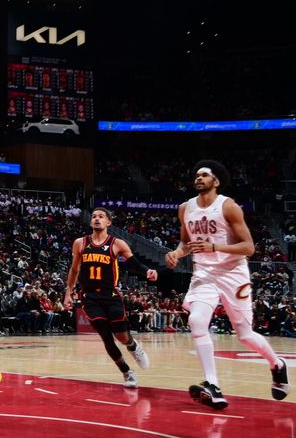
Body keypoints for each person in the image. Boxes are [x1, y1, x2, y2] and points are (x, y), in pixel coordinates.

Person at [165, 160, 290, 409]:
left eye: (204, 175)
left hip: (233, 273)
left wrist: (215, 247)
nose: (198, 178)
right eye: (196, 175)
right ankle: (213, 385)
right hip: (204, 274)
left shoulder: (229, 206)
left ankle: (277, 364)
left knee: (244, 334)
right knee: (196, 320)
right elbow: (184, 242)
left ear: (216, 181)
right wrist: (177, 253)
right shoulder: (185, 208)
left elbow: (249, 247)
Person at [63, 208, 157, 388]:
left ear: (108, 223)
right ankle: (126, 372)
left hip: (111, 295)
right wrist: (68, 292)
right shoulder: (80, 243)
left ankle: (132, 345)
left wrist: (147, 271)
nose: (97, 219)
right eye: (94, 217)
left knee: (121, 335)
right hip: (90, 297)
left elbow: (133, 263)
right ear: (90, 222)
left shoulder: (117, 243)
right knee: (107, 338)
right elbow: (74, 270)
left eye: (101, 217)